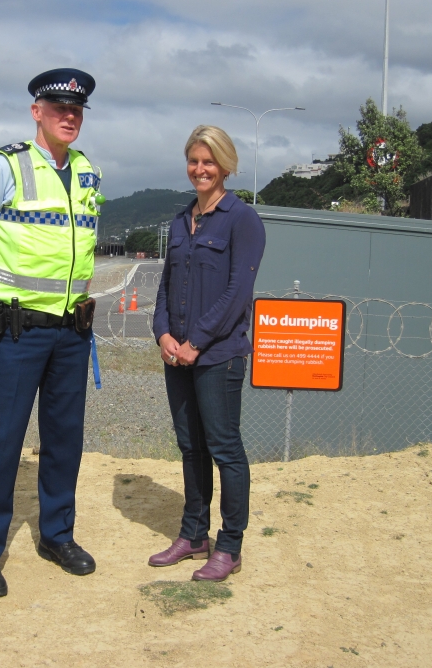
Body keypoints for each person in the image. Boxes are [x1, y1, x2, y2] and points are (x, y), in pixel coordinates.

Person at [0, 68, 103, 598]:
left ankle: (57, 536)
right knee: (1, 441)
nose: (69, 116)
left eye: (77, 110)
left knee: (64, 440)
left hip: (72, 332)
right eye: (59, 108)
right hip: (18, 332)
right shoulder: (4, 166)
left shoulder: (88, 173)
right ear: (37, 111)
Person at [150, 125, 266, 581]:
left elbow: (238, 293)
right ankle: (193, 535)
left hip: (219, 355)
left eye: (209, 161)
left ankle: (229, 546)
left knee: (224, 448)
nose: (200, 169)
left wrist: (196, 342)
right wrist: (163, 334)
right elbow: (166, 286)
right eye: (194, 161)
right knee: (190, 447)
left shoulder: (242, 219)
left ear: (225, 165)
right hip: (177, 355)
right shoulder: (182, 220)